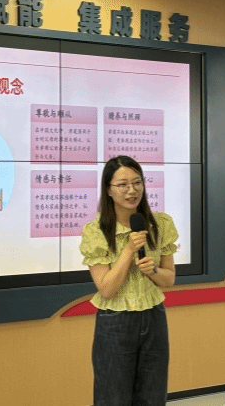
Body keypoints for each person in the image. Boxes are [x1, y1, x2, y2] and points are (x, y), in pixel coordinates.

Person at [79, 155, 178, 406]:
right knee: (113, 397)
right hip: (115, 322)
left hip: (154, 317)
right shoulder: (95, 231)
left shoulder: (160, 223)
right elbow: (107, 289)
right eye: (122, 185)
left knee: (153, 395)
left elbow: (169, 280)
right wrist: (128, 251)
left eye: (137, 182)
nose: (132, 191)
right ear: (108, 190)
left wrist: (153, 271)